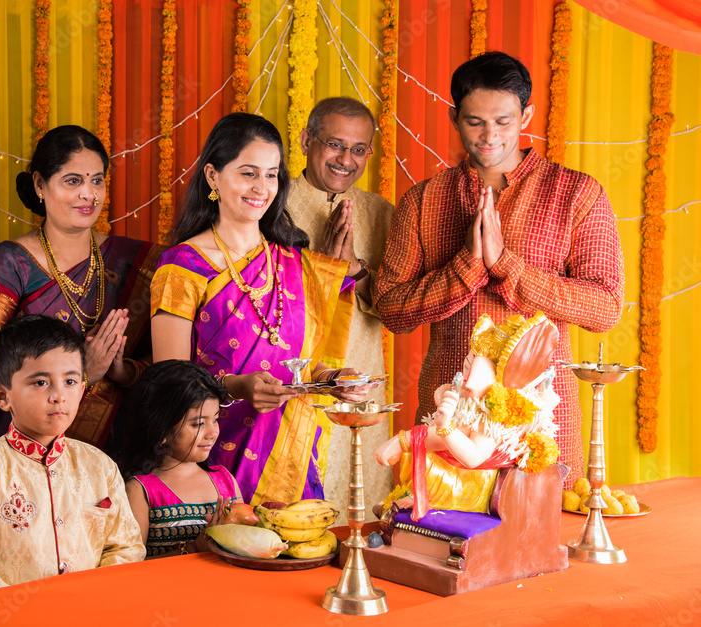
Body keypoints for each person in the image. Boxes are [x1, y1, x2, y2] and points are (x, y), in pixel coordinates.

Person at [373, 51, 624, 484]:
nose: (489, 136)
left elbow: (604, 309)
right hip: (448, 424)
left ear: (527, 114)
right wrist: (467, 268)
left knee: (543, 544)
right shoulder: (423, 201)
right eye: (475, 122)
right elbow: (391, 309)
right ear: (455, 117)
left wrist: (508, 266)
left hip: (541, 423)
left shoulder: (576, 194)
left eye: (504, 121)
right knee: (442, 544)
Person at [151, 112, 374, 506]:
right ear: (213, 177)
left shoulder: (294, 263)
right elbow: (168, 382)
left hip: (291, 462)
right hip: (211, 461)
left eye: (271, 175)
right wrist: (235, 387)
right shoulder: (183, 266)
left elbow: (298, 365)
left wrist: (331, 379)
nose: (262, 187)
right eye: (248, 173)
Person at [0, 125, 163, 451]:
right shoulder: (11, 263)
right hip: (29, 464)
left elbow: (172, 362)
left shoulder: (139, 261)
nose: (89, 194)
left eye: (97, 180)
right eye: (73, 181)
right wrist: (82, 370)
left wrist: (126, 372)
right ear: (40, 184)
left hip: (117, 459)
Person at [0, 315, 145, 597]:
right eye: (40, 382)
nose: (58, 395)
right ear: (2, 396)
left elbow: (126, 546)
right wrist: (16, 604)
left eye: (70, 381)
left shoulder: (101, 467)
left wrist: (93, 594)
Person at [288, 96, 395, 511]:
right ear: (305, 141)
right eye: (334, 144)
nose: (345, 159)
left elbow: (397, 308)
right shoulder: (270, 206)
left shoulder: (382, 214)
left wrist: (356, 271)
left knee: (362, 511)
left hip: (361, 384)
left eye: (358, 149)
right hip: (294, 385)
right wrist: (323, 271)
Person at [375, 312, 562, 522]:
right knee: (422, 456)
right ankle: (416, 494)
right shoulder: (476, 401)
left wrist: (430, 432)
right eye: (466, 366)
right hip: (456, 468)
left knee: (424, 460)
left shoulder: (495, 416)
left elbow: (473, 457)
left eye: (469, 370)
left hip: (474, 484)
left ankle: (425, 496)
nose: (465, 377)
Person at [122, 360, 242, 557]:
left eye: (215, 419)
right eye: (198, 424)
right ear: (162, 430)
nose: (212, 432)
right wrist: (197, 547)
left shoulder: (225, 480)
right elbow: (133, 566)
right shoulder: (140, 490)